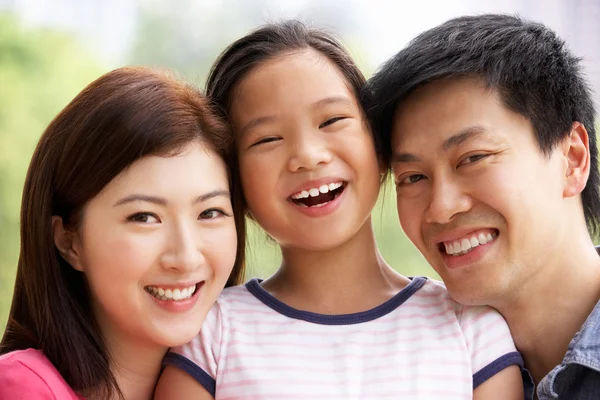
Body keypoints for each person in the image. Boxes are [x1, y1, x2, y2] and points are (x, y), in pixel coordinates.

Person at [155, 21, 523, 400]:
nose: (307, 156)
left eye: (332, 120)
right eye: (267, 139)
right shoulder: (210, 335)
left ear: (380, 148)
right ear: (235, 186)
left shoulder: (473, 330)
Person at [365, 13, 600, 400]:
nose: (440, 209)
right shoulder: (422, 375)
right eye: (413, 177)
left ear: (572, 159)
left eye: (473, 158)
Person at [0, 66, 245, 399]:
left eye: (209, 212)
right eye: (144, 217)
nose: (186, 257)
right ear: (69, 240)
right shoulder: (24, 387)